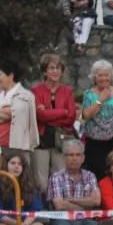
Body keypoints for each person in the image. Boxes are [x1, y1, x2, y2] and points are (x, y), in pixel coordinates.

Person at [31, 54, 77, 193]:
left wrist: (48, 113)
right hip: (41, 140)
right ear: (45, 71)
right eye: (51, 68)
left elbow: (71, 117)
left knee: (60, 179)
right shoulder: (36, 91)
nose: (55, 71)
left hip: (61, 140)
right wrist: (62, 111)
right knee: (41, 182)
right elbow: (39, 116)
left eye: (58, 68)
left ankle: (59, 205)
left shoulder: (68, 91)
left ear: (62, 72)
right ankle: (42, 206)